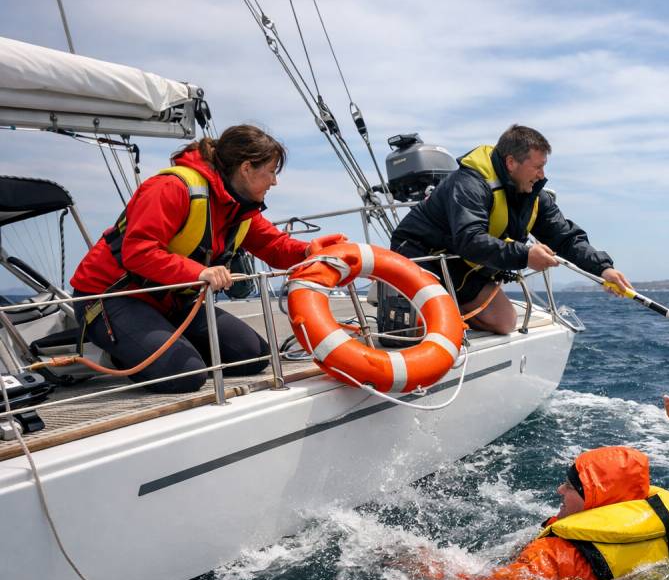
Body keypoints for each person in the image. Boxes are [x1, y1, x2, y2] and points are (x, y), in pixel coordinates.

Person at [70, 124, 331, 393]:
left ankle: (160, 341)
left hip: (170, 300)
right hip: (112, 297)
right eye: (271, 172)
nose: (274, 182)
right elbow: (138, 251)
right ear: (246, 168)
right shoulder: (171, 188)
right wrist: (197, 273)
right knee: (185, 375)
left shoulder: (238, 208)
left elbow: (274, 246)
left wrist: (308, 251)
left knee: (253, 355)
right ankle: (131, 349)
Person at [423, 371, 669, 580]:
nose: (560, 490)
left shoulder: (557, 557)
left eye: (571, 487)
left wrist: (413, 564)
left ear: (598, 501)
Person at [390, 124, 632, 334]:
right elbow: (470, 239)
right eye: (537, 167)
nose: (542, 175)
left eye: (544, 166)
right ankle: (416, 305)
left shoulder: (532, 194)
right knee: (424, 325)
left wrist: (602, 270)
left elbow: (565, 238)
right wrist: (525, 255)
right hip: (420, 252)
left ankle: (447, 314)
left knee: (505, 321)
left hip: (459, 263)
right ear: (511, 163)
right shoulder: (470, 185)